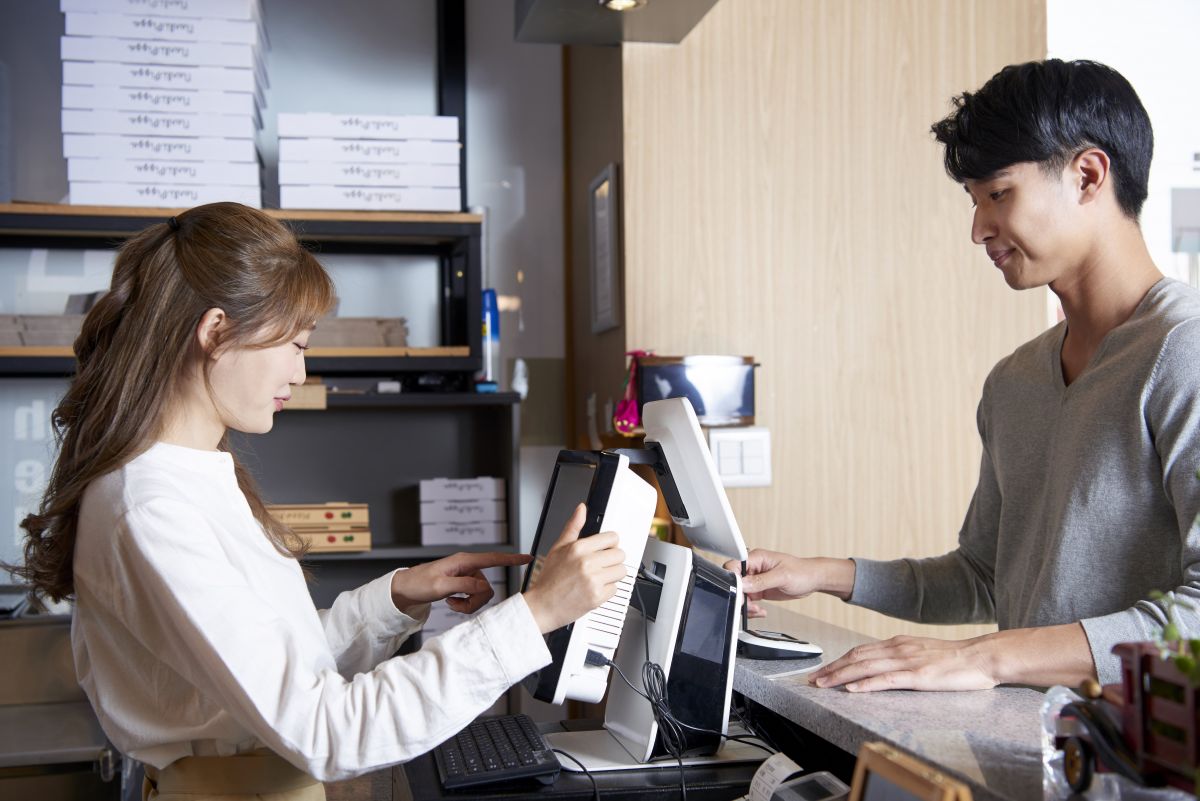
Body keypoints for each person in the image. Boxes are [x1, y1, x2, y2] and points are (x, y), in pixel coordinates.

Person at [13, 202, 628, 799]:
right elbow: (323, 728)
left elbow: (266, 667)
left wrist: (394, 598)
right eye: (296, 345)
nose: (301, 373)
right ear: (215, 330)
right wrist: (534, 616)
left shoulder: (188, 475)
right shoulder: (153, 508)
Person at [729, 59, 1200, 692]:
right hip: (1033, 753)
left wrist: (982, 657)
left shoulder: (1183, 351)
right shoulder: (1015, 381)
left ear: (1087, 176)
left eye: (999, 194)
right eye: (974, 201)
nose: (978, 229)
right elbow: (986, 576)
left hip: (1151, 774)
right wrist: (822, 574)